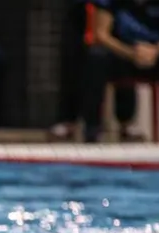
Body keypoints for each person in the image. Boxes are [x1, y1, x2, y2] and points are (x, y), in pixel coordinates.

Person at [82, 0, 159, 144]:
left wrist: (156, 51)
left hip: (157, 56)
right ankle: (92, 129)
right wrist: (130, 52)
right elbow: (102, 34)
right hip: (122, 55)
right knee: (96, 56)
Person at [49, 0, 142, 142]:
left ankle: (126, 121)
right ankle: (70, 120)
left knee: (122, 57)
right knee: (73, 61)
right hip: (80, 12)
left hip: (114, 10)